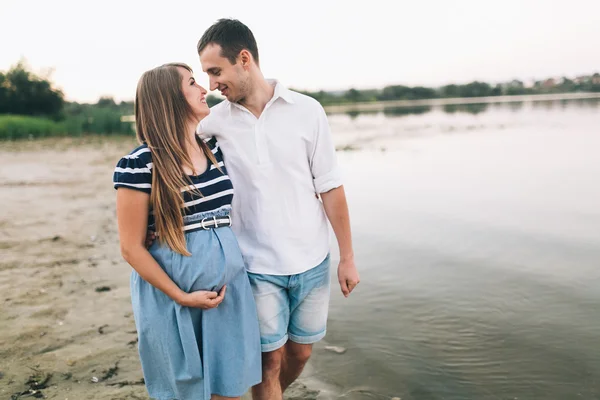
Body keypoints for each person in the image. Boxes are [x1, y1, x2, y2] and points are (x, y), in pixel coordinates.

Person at [196, 19, 360, 399]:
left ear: (244, 59)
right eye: (206, 74)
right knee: (269, 361)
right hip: (255, 265)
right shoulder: (213, 123)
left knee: (300, 353)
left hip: (312, 259)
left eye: (216, 71)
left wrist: (347, 257)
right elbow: (177, 165)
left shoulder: (307, 110)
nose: (211, 85)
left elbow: (331, 188)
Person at [113, 62, 261, 400]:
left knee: (232, 387)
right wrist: (181, 295)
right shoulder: (139, 164)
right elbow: (130, 247)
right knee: (185, 391)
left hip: (229, 292)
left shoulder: (215, 150)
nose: (203, 89)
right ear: (169, 99)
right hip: (174, 298)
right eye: (192, 83)